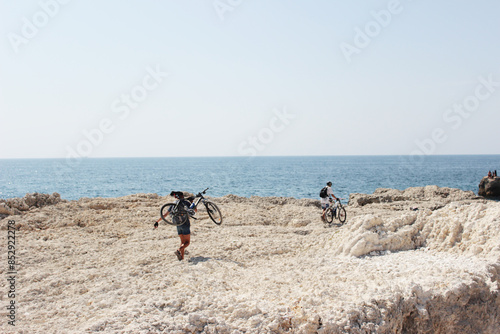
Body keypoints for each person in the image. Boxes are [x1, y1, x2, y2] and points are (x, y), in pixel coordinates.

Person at [154, 191, 195, 261]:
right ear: (182, 196)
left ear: (176, 197)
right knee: (187, 243)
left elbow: (165, 214)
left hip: (177, 224)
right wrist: (192, 203)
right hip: (185, 224)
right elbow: (194, 211)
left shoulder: (174, 204)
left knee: (182, 242)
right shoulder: (186, 202)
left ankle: (181, 258)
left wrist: (157, 221)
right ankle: (179, 250)